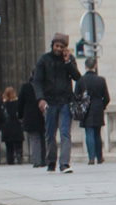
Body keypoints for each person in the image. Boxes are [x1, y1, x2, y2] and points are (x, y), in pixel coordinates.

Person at [33, 32, 82, 173]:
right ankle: (51, 161)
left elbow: (77, 77)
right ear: (52, 45)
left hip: (65, 101)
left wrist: (68, 62)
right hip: (49, 101)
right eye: (56, 46)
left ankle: (64, 163)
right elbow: (37, 81)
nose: (58, 49)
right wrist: (40, 98)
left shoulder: (69, 59)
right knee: (50, 133)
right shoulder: (44, 60)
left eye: (61, 47)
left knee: (65, 132)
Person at [76, 56, 111, 165]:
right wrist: (102, 106)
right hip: (98, 109)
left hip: (86, 110)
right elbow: (107, 98)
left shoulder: (81, 80)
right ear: (95, 66)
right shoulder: (101, 80)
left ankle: (91, 157)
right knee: (97, 133)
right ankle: (99, 157)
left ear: (85, 66)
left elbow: (76, 96)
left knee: (89, 133)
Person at [17, 72, 45, 167]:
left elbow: (20, 103)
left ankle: (37, 160)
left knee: (34, 138)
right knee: (44, 138)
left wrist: (20, 116)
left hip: (30, 116)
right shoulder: (45, 85)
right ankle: (44, 159)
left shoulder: (26, 87)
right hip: (43, 114)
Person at [0, 86, 24, 165]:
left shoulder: (3, 104)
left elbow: (1, 115)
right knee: (18, 144)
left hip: (7, 126)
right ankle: (19, 154)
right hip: (16, 124)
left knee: (9, 146)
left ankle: (10, 160)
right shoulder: (17, 102)